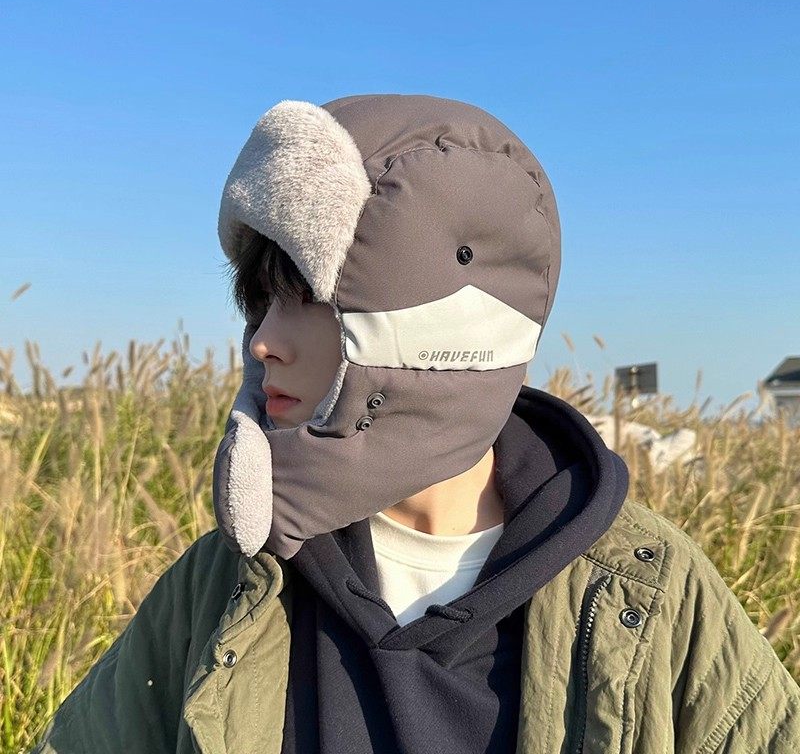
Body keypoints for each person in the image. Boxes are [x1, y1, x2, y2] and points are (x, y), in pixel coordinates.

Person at [30, 94, 800, 753]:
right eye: (259, 302)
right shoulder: (225, 583)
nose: (263, 341)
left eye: (306, 298)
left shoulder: (649, 591)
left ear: (430, 326)